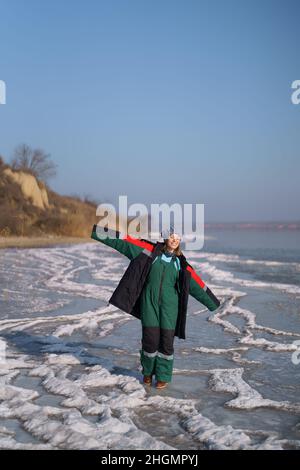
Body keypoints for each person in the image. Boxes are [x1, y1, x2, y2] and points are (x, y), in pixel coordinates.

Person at [91, 223, 220, 389]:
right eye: (171, 236)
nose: (174, 240)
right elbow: (124, 241)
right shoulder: (148, 251)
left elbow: (198, 286)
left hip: (170, 309)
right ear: (165, 238)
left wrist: (213, 303)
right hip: (149, 304)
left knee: (166, 343)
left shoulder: (182, 264)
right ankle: (147, 372)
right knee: (150, 341)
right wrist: (98, 232)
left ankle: (163, 376)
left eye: (177, 237)